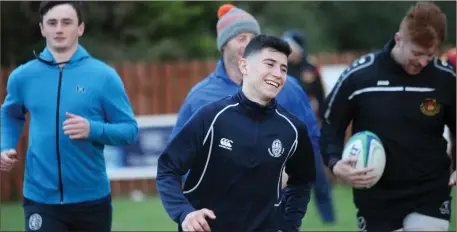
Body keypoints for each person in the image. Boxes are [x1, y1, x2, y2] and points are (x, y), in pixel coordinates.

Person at [169, 3, 334, 224]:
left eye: (254, 38)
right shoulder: (200, 97)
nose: (248, 44)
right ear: (223, 44)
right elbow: (178, 158)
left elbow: (310, 139)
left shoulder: (289, 88)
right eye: (241, 38)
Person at [0, 1, 138, 232]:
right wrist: (5, 145)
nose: (59, 29)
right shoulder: (23, 76)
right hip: (40, 198)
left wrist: (92, 129)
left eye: (67, 22)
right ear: (42, 28)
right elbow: (11, 114)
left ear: (80, 28)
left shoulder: (104, 76)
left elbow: (130, 130)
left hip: (91, 199)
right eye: (52, 23)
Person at [156, 34, 316, 232]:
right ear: (245, 66)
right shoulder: (211, 116)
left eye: (283, 68)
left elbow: (302, 182)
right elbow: (167, 168)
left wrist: (289, 225)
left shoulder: (293, 129)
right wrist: (184, 213)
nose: (278, 73)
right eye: (270, 64)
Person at [320, 2, 455, 231]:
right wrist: (335, 164)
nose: (423, 62)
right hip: (376, 199)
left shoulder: (445, 79)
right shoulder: (360, 77)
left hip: (430, 192)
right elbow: (330, 127)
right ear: (399, 39)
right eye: (417, 53)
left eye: (430, 55)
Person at [282, 30, 336, 223]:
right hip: (283, 132)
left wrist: (324, 124)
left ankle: (329, 219)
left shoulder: (311, 69)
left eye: (292, 48)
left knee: (319, 179)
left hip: (307, 131)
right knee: (282, 181)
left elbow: (321, 99)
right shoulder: (281, 69)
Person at [282, 30, 327, 121]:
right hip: (284, 113)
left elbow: (319, 93)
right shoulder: (282, 66)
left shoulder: (310, 67)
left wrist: (323, 117)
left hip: (306, 114)